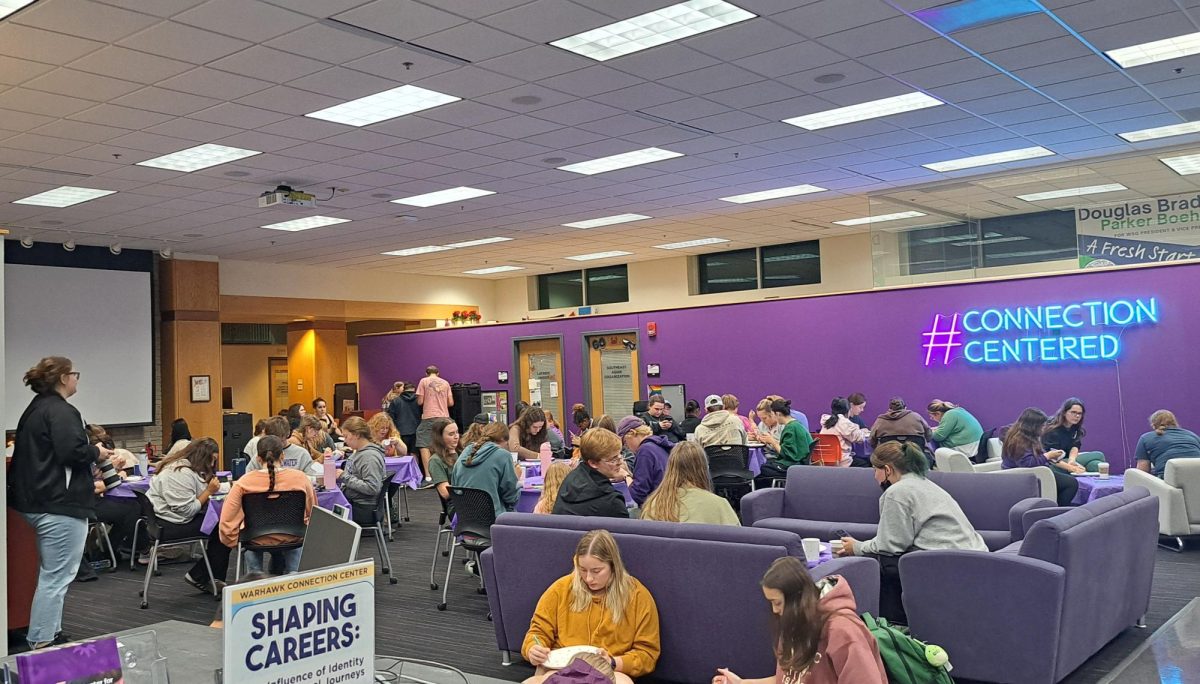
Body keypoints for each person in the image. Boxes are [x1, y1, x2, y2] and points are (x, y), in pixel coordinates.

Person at [10, 357, 116, 650]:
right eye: (75, 375)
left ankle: (51, 633)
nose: (77, 380)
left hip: (34, 501)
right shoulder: (62, 411)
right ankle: (43, 640)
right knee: (56, 577)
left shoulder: (33, 410)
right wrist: (97, 452)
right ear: (63, 378)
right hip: (60, 504)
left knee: (52, 573)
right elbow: (72, 452)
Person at [837, 441, 987, 624]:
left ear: (887, 470)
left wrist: (857, 547)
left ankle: (892, 626)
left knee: (883, 563)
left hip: (945, 564)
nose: (875, 477)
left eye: (875, 470)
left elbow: (890, 546)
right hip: (974, 560)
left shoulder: (896, 492)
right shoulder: (925, 484)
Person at [712, 557, 886, 684]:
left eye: (777, 603)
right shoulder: (794, 623)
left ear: (797, 599)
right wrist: (742, 683)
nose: (775, 610)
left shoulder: (843, 630)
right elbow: (788, 680)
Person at [522, 530, 660, 684]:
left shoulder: (637, 596)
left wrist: (613, 662)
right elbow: (537, 632)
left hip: (610, 672)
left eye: (596, 571)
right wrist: (533, 648)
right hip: (562, 668)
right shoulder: (560, 589)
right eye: (582, 570)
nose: (588, 578)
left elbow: (647, 654)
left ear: (613, 566)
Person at [219, 436, 315, 575]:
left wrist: (233, 541)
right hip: (293, 536)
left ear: (258, 458)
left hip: (254, 538)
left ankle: (254, 577)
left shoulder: (243, 483)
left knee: (246, 532)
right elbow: (313, 513)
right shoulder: (301, 478)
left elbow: (226, 521)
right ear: (282, 456)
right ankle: (295, 577)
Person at [147, 438, 230, 593]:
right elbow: (188, 510)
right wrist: (209, 492)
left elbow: (200, 487)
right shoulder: (180, 473)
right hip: (171, 525)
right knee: (224, 528)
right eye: (212, 460)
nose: (212, 465)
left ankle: (206, 575)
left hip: (165, 519)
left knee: (221, 525)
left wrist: (229, 486)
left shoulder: (184, 468)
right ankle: (204, 576)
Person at [640, 442, 740, 526]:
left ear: (669, 468)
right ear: (705, 469)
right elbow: (737, 543)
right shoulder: (719, 505)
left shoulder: (652, 504)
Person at [1002, 407, 1083, 506]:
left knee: (1068, 481)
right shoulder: (1020, 441)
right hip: (1026, 475)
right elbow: (1028, 463)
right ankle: (1056, 510)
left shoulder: (1023, 436)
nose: (1044, 428)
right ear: (1033, 426)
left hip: (1036, 471)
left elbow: (1036, 454)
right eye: (1042, 425)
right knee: (1071, 484)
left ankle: (1055, 506)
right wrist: (1047, 456)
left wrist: (1052, 456)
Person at [554, 429, 631, 518]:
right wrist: (628, 476)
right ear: (593, 463)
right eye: (613, 459)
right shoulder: (612, 501)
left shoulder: (569, 480)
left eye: (620, 455)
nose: (620, 462)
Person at [452, 421, 520, 520]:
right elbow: (510, 497)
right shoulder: (504, 455)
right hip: (492, 520)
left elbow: (455, 484)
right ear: (503, 440)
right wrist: (516, 478)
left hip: (464, 518)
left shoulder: (466, 451)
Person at [335, 417, 387, 527]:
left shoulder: (369, 457)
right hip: (356, 503)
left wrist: (344, 477)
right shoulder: (359, 453)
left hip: (362, 507)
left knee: (322, 512)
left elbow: (372, 488)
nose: (345, 440)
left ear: (357, 435)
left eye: (346, 436)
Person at [757, 399, 814, 486]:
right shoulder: (797, 425)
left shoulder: (790, 429)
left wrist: (773, 442)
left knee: (759, 470)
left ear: (778, 414)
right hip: (800, 463)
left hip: (792, 465)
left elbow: (787, 454)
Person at [617, 417, 672, 506]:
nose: (627, 448)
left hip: (657, 508)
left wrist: (625, 475)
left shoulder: (645, 451)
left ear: (632, 433)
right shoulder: (659, 445)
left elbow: (639, 494)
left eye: (625, 443)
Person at [1042, 398, 1104, 471]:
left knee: (1095, 464)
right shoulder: (1052, 429)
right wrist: (1072, 468)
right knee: (1099, 455)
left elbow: (1075, 446)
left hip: (1068, 460)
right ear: (1064, 413)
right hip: (1054, 463)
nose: (1077, 416)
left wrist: (1072, 460)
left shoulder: (1075, 428)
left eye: (1079, 413)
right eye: (1073, 412)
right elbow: (1053, 458)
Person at [1135, 410, 1200, 477]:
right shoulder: (1193, 435)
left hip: (1168, 482)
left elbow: (1142, 472)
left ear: (1153, 424)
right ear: (1175, 422)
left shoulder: (1145, 438)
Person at [417, 365, 454, 482]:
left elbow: (420, 401)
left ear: (426, 373)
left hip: (429, 416)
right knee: (445, 444)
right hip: (444, 417)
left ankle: (429, 476)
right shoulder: (446, 383)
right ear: (438, 373)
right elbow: (451, 403)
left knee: (423, 443)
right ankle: (448, 472)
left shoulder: (423, 381)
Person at [249, 416, 316, 473]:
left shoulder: (302, 454)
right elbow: (248, 477)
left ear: (288, 434)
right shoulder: (261, 455)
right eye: (273, 440)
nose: (277, 443)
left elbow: (311, 478)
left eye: (281, 440)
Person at [819, 398, 871, 467]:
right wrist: (861, 430)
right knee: (867, 463)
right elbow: (859, 438)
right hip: (842, 461)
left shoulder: (826, 420)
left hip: (824, 460)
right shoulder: (844, 423)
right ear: (848, 410)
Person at [869, 397, 933, 449]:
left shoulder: (881, 420)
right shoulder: (917, 416)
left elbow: (871, 440)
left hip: (889, 458)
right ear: (905, 408)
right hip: (916, 458)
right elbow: (929, 435)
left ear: (889, 409)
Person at [427, 417, 461, 504]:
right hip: (456, 504)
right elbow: (445, 493)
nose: (456, 436)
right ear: (440, 437)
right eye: (451, 434)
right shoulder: (436, 460)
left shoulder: (463, 452)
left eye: (457, 432)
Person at [386, 381, 421, 456]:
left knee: (402, 454)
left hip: (400, 432)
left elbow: (390, 417)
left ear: (403, 389)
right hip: (416, 431)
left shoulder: (396, 401)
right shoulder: (419, 400)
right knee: (414, 455)